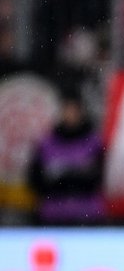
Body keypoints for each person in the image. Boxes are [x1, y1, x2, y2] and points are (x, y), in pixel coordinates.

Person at [28, 87, 106, 225]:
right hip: (53, 216)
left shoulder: (94, 143)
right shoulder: (46, 143)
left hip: (87, 216)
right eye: (67, 109)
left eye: (74, 110)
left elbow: (99, 179)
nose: (71, 114)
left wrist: (63, 177)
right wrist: (74, 177)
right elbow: (35, 180)